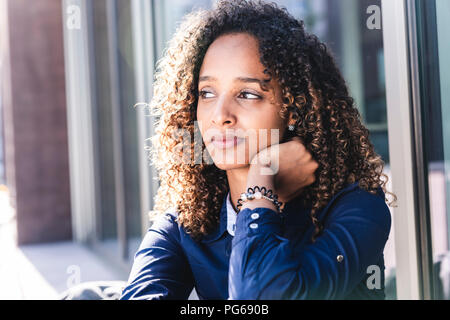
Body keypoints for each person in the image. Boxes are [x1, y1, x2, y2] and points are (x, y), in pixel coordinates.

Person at [120, 0, 397, 300]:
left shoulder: (356, 207)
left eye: (247, 94)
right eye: (207, 93)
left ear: (294, 107)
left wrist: (261, 182)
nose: (220, 114)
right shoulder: (184, 224)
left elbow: (262, 296)